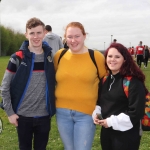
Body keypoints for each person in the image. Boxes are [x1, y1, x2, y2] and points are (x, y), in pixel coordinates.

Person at [1, 17, 56, 150]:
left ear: (44, 33)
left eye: (38, 33)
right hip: (23, 116)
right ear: (26, 34)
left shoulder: (50, 57)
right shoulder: (17, 58)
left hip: (44, 116)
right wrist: (10, 113)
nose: (35, 36)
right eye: (32, 33)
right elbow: (4, 87)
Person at [53, 22, 106, 150]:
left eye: (77, 36)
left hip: (86, 114)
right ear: (65, 38)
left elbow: (106, 83)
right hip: (62, 112)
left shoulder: (96, 57)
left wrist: (99, 107)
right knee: (69, 148)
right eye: (69, 37)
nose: (73, 40)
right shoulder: (59, 56)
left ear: (84, 36)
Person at [92, 43, 148, 150]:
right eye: (110, 56)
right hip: (107, 134)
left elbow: (135, 112)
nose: (112, 60)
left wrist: (111, 121)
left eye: (117, 57)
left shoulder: (133, 82)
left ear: (125, 60)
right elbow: (99, 102)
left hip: (126, 136)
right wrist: (97, 113)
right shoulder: (105, 79)